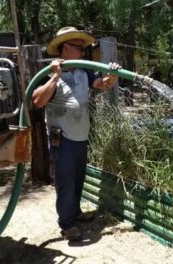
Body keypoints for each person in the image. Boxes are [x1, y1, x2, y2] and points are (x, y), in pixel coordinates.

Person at [32, 26, 121, 241]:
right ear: (65, 48)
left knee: (79, 177)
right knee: (65, 180)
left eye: (83, 49)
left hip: (81, 135)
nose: (83, 53)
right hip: (62, 138)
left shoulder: (84, 71)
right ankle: (67, 223)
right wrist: (55, 77)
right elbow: (37, 101)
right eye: (78, 48)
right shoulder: (50, 72)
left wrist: (113, 76)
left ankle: (76, 213)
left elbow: (102, 85)